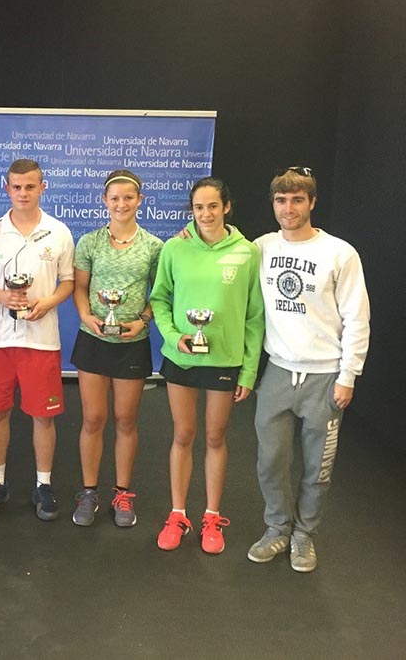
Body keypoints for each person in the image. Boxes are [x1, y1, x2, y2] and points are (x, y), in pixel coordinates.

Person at [247, 167, 369, 572]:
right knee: (270, 461)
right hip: (278, 372)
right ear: (273, 204)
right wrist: (189, 235)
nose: (289, 208)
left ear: (312, 203)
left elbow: (357, 318)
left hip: (325, 377)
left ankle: (303, 534)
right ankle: (277, 528)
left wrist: (348, 376)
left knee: (318, 468)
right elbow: (221, 250)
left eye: (297, 199)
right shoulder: (261, 247)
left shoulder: (339, 253)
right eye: (281, 200)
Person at [149, 176, 264, 554]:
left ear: (226, 207)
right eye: (199, 207)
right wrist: (172, 337)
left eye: (213, 206)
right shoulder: (175, 248)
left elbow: (254, 316)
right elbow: (160, 299)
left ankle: (211, 516)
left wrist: (249, 370)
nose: (206, 214)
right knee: (183, 435)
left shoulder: (247, 252)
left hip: (224, 359)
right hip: (182, 355)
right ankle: (177, 514)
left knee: (215, 437)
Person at [0, 158, 74, 520]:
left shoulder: (59, 232)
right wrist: (3, 296)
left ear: (42, 187)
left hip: (42, 340)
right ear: (7, 188)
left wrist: (48, 302)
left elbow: (68, 281)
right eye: (17, 187)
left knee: (43, 417)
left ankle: (43, 485)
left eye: (30, 186)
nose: (23, 193)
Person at [70, 169, 162, 527]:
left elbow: (160, 293)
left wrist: (143, 321)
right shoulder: (89, 242)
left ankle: (123, 493)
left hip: (131, 343)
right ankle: (88, 491)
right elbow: (80, 288)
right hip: (93, 340)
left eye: (128, 197)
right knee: (93, 418)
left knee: (126, 420)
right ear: (104, 201)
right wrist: (86, 316)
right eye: (115, 198)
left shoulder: (154, 247)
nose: (121, 204)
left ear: (139, 201)